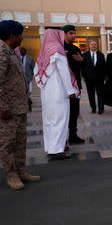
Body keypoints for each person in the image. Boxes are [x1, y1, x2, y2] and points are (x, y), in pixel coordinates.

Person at [0, 20, 40, 190]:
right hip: (7, 109)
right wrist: (2, 108)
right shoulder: (1, 52)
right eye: (20, 34)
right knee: (7, 143)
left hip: (19, 106)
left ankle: (21, 170)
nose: (22, 37)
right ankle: (12, 176)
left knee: (20, 141)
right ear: (12, 36)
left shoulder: (11, 51)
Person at [35, 27, 79, 160]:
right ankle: (57, 149)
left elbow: (37, 70)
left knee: (49, 119)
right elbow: (63, 71)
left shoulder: (44, 50)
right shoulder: (57, 49)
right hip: (58, 89)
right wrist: (71, 90)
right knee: (60, 118)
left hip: (47, 91)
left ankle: (51, 146)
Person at [62, 24, 85, 144]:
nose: (73, 35)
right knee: (63, 112)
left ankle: (73, 135)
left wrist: (82, 61)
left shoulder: (76, 49)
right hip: (63, 87)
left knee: (74, 111)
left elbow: (80, 68)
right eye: (71, 33)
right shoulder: (59, 47)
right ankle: (61, 138)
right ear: (64, 34)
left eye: (74, 33)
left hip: (75, 86)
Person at [82, 40, 106, 114]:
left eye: (95, 44)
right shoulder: (85, 55)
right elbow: (82, 67)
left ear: (97, 46)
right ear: (89, 46)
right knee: (90, 94)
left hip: (99, 78)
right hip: (89, 78)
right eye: (92, 44)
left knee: (100, 93)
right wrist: (84, 76)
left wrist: (104, 76)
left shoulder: (101, 55)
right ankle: (93, 108)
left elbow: (104, 67)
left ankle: (101, 108)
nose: (93, 45)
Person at [19, 47, 35, 112]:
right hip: (20, 79)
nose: (21, 52)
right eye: (20, 51)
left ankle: (29, 105)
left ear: (25, 51)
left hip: (28, 79)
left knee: (28, 93)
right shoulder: (18, 58)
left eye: (22, 51)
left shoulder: (30, 58)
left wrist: (32, 76)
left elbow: (34, 67)